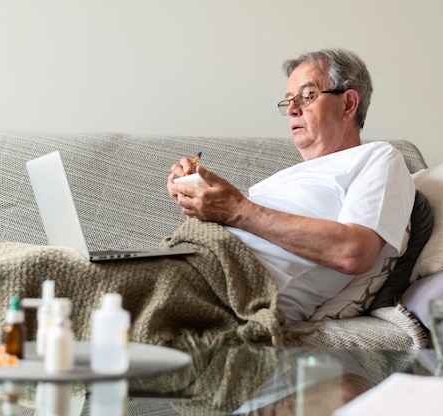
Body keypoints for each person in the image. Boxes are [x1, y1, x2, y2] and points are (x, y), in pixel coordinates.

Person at [167, 48, 415, 323]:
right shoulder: (280, 180)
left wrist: (236, 209)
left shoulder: (378, 158)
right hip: (189, 256)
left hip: (235, 284)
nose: (293, 110)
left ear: (348, 104)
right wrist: (198, 203)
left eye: (307, 96)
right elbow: (241, 220)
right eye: (289, 102)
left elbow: (354, 252)